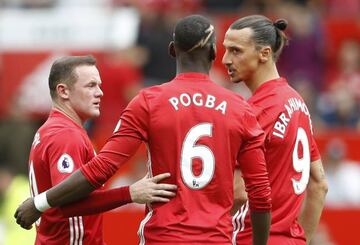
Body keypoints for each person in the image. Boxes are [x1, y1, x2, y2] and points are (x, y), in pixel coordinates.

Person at [15, 15, 272, 245]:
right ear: (215, 52)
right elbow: (260, 193)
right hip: (216, 238)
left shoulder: (149, 102)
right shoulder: (241, 108)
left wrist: (39, 203)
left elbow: (101, 169)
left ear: (172, 50)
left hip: (162, 236)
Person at [16, 55, 177, 244]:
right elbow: (68, 203)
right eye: (91, 85)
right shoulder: (65, 136)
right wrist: (131, 193)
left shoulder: (53, 130)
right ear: (63, 91)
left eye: (99, 85)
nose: (100, 92)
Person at [222, 15, 328, 245]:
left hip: (249, 238)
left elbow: (238, 192)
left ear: (264, 54)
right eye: (225, 50)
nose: (225, 59)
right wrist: (302, 240)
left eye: (236, 51)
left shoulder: (257, 111)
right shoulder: (297, 102)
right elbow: (319, 184)